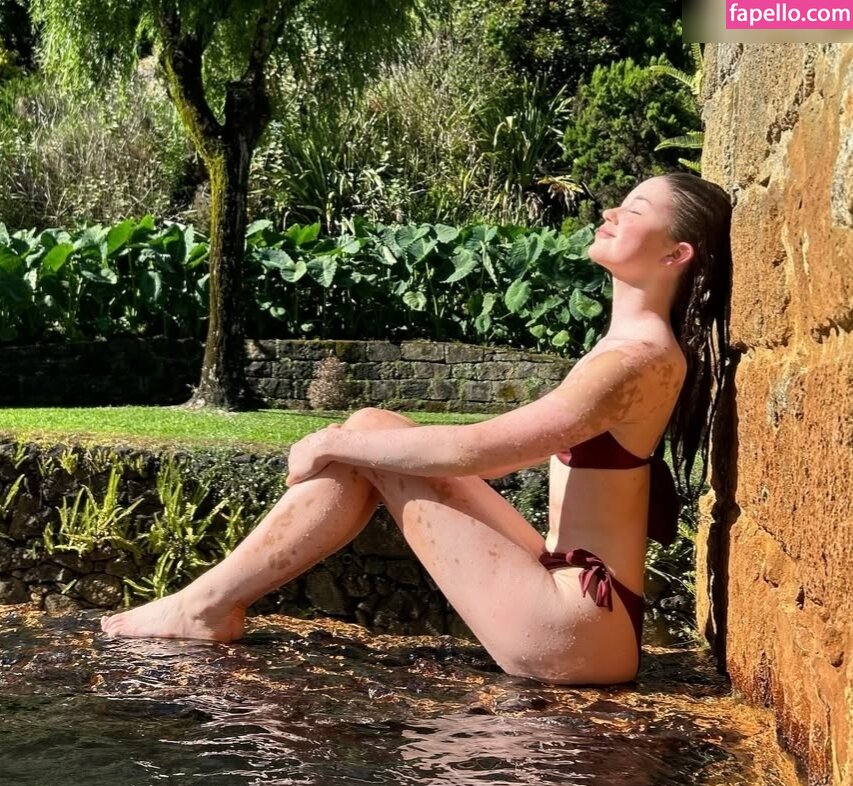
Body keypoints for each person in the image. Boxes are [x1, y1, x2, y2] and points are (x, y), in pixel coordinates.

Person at [101, 172, 733, 686]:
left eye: (636, 210)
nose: (613, 212)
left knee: (363, 442)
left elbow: (480, 453)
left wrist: (329, 440)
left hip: (578, 626)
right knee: (374, 426)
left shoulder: (637, 360)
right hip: (577, 598)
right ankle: (207, 604)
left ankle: (204, 606)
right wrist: (351, 438)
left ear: (675, 255)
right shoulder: (629, 348)